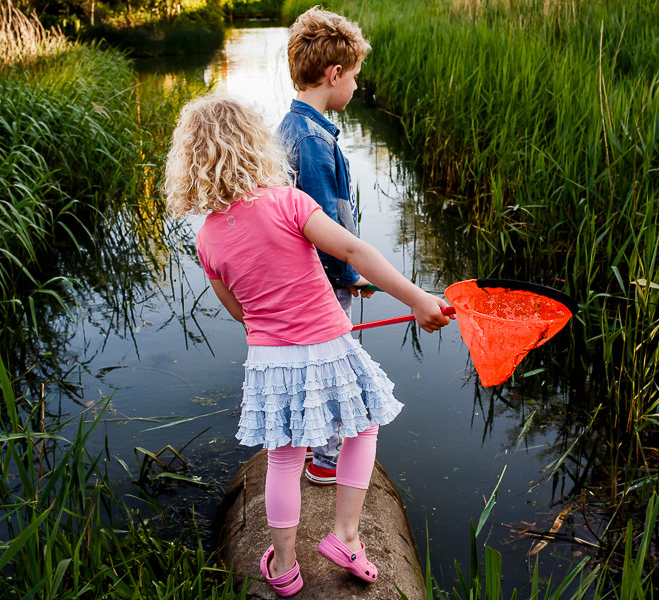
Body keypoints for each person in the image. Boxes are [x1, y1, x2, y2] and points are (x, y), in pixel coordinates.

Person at [164, 96, 450, 597]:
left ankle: (286, 566)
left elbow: (239, 311)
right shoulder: (289, 201)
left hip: (270, 360)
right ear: (256, 145)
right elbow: (353, 250)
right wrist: (419, 298)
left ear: (192, 162)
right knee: (362, 426)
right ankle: (345, 536)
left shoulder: (206, 239)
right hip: (329, 344)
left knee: (283, 459)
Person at [276, 7, 373, 486]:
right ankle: (326, 460)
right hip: (322, 283)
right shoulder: (313, 141)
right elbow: (321, 225)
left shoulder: (289, 129)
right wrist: (348, 275)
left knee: (313, 365)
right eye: (354, 77)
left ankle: (312, 450)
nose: (356, 86)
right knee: (336, 369)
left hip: (302, 281)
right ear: (333, 74)